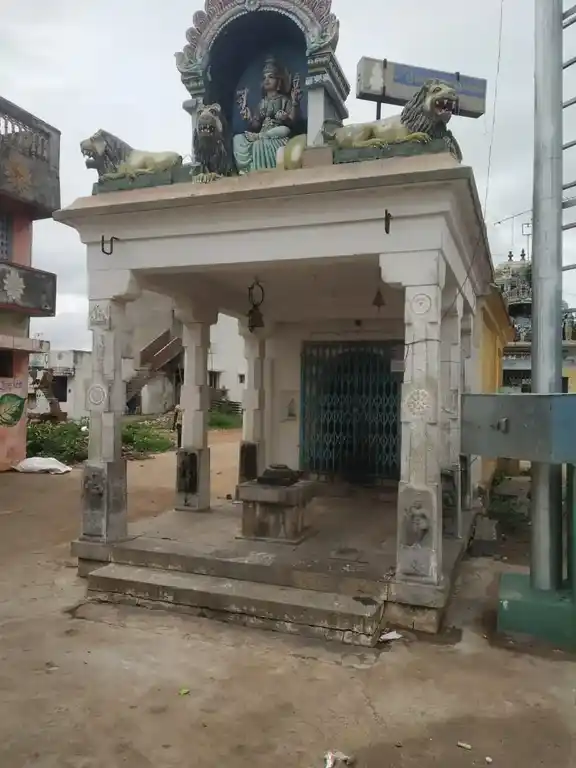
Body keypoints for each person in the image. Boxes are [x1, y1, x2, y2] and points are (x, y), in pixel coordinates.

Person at [233, 55, 301, 174]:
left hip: (277, 134)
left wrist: (286, 115)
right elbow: (255, 125)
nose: (267, 80)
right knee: (237, 139)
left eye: (271, 77)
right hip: (263, 133)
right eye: (265, 78)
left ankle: (262, 140)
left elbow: (292, 121)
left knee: (281, 131)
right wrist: (248, 117)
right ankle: (247, 169)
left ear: (278, 82)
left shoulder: (284, 100)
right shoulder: (262, 103)